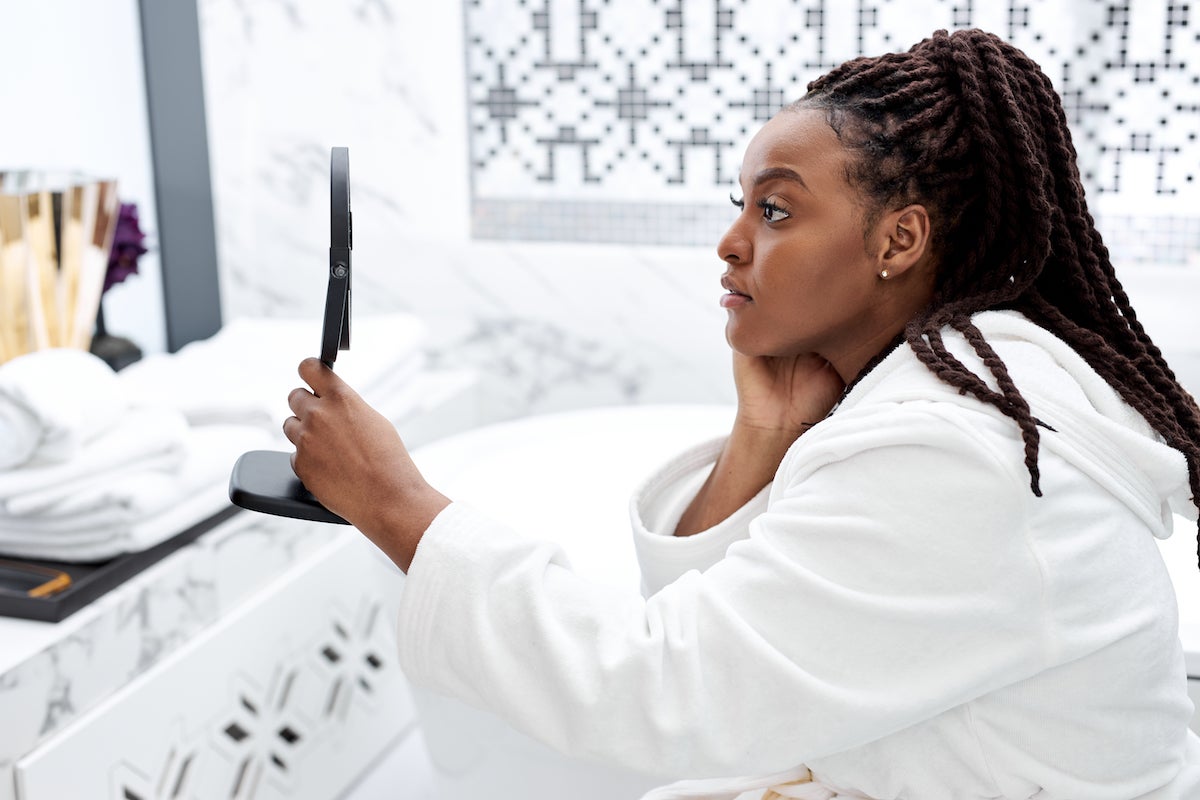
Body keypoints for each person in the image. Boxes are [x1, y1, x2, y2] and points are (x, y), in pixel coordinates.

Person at [283, 27, 1200, 800]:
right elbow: (737, 647)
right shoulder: (936, 395)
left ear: (899, 238)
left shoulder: (961, 452)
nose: (729, 243)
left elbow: (664, 692)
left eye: (775, 210)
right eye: (742, 205)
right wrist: (765, 436)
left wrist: (395, 502)